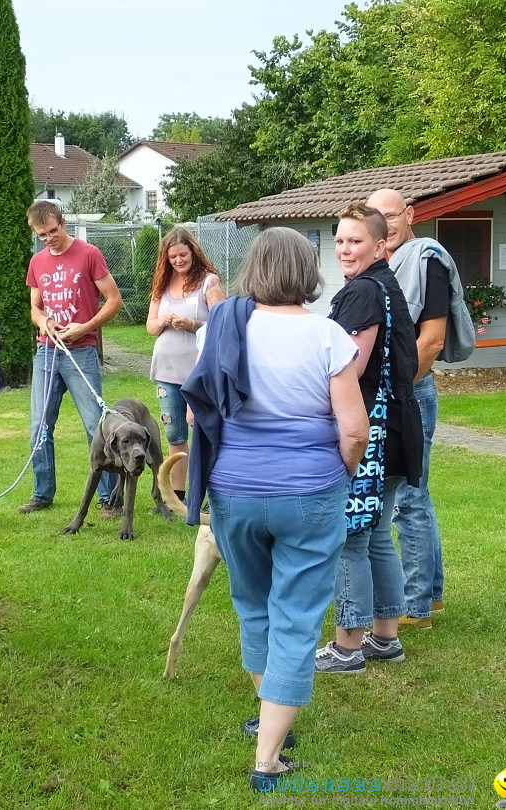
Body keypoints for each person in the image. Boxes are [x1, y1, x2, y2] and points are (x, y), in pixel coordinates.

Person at [181, 228, 370, 790]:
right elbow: (354, 429)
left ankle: (272, 720)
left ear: (255, 270)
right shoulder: (329, 336)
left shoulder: (221, 329)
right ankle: (268, 758)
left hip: (234, 491)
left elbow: (197, 415)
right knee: (296, 616)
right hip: (310, 493)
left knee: (255, 605)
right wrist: (342, 473)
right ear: (307, 271)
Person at [315, 203, 424, 672]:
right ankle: (385, 637)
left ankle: (347, 646)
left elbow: (349, 368)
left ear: (381, 245)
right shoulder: (384, 284)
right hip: (400, 430)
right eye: (339, 239)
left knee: (350, 538)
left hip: (375, 435)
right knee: (378, 535)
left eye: (355, 240)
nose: (344, 248)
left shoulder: (363, 291)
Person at [366, 188, 454, 629]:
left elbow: (432, 340)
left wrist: (396, 388)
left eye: (390, 215)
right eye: (374, 217)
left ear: (410, 214)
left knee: (408, 500)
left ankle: (415, 605)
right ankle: (431, 596)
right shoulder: (387, 264)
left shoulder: (427, 262)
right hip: (399, 391)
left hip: (411, 393)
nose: (384, 224)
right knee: (415, 495)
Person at [18, 200, 123, 515]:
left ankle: (108, 499)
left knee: (96, 426)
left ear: (63, 223)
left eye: (52, 231)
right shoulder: (37, 262)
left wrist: (85, 327)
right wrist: (44, 322)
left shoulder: (89, 254)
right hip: (47, 352)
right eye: (42, 235)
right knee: (40, 425)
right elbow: (35, 307)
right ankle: (42, 493)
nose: (48, 238)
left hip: (82, 351)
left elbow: (114, 300)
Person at [145, 227, 226, 501]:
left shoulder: (208, 281)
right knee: (174, 434)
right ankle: (178, 497)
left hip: (199, 373)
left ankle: (209, 492)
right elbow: (151, 327)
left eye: (183, 254)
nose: (178, 261)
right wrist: (164, 321)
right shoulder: (162, 283)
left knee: (203, 432)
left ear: (193, 252)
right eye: (173, 257)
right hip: (166, 371)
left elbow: (222, 321)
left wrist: (193, 325)